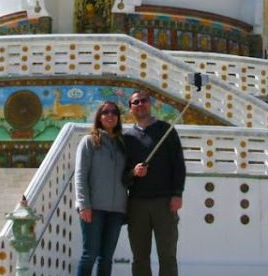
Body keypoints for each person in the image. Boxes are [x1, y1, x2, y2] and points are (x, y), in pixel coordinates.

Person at [123, 90, 185, 276]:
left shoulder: (166, 130)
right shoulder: (127, 138)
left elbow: (178, 164)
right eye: (135, 102)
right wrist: (133, 172)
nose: (140, 104)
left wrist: (177, 193)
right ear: (130, 108)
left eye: (143, 101)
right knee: (139, 257)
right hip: (137, 204)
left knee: (167, 255)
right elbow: (121, 176)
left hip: (164, 202)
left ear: (150, 104)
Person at [74, 101, 128, 276]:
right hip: (94, 208)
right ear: (99, 117)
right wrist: (84, 205)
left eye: (114, 112)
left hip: (116, 209)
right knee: (90, 254)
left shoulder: (122, 144)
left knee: (106, 257)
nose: (110, 115)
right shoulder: (89, 141)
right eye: (105, 112)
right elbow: (80, 175)